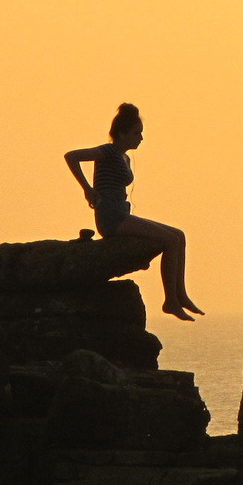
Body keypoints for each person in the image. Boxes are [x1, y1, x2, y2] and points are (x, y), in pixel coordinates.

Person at [65, 103, 203, 321]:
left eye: (141, 133)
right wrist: (87, 189)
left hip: (122, 214)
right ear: (121, 134)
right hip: (111, 217)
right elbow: (71, 156)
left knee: (179, 235)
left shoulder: (125, 158)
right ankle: (171, 301)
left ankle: (181, 294)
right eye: (136, 133)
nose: (140, 138)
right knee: (170, 241)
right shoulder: (107, 151)